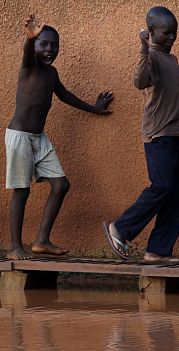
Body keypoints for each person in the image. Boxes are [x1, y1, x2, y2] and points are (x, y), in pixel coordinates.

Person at [103, 6, 179, 264]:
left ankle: (158, 250)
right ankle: (120, 229)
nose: (172, 38)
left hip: (177, 133)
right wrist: (143, 47)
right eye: (166, 33)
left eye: (175, 34)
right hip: (158, 135)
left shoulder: (172, 60)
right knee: (162, 186)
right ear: (151, 32)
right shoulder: (151, 58)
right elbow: (139, 81)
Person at [6, 15, 113, 260]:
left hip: (38, 138)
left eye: (54, 45)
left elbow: (65, 96)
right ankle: (15, 247)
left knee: (61, 184)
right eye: (43, 44)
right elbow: (26, 54)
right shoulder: (28, 67)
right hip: (20, 137)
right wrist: (28, 39)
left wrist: (94, 109)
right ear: (34, 46)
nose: (49, 50)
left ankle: (41, 240)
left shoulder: (51, 74)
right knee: (21, 191)